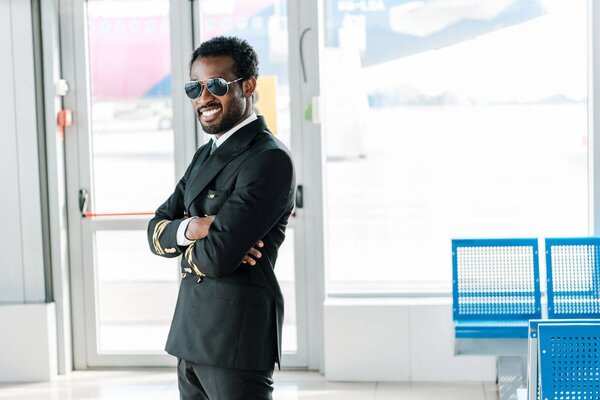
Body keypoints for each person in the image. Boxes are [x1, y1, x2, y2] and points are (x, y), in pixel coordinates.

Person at [147, 36, 295, 400]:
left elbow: (217, 258)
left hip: (236, 339)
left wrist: (189, 240)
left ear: (247, 86)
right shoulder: (205, 154)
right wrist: (196, 227)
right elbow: (156, 229)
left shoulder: (268, 158)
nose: (204, 98)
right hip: (191, 334)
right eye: (194, 88)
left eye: (215, 85)